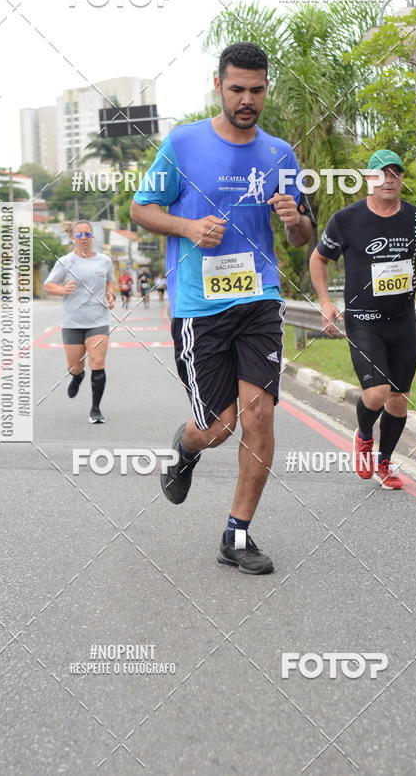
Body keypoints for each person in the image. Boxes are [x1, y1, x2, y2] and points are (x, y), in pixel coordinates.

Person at [131, 41, 314, 574]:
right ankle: (186, 448)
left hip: (259, 298)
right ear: (219, 85)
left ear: (266, 89)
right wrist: (187, 227)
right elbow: (141, 207)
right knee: (218, 427)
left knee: (258, 416)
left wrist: (292, 219)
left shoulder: (281, 153)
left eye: (257, 90)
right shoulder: (184, 143)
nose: (247, 99)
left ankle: (237, 535)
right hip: (200, 304)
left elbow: (303, 235)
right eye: (237, 88)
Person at [309, 149, 416, 490]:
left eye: (395, 173)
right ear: (369, 178)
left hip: (402, 321)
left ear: (402, 178)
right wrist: (326, 302)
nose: (389, 179)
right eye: (381, 173)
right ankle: (364, 435)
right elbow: (318, 259)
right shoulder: (346, 220)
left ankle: (384, 463)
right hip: (364, 319)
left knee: (398, 399)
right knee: (377, 393)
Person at [44, 220, 115, 424]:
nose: (83, 238)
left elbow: (110, 281)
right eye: (79, 235)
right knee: (75, 366)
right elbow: (49, 285)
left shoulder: (104, 261)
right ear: (72, 237)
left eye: (87, 234)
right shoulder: (66, 262)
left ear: (93, 237)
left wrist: (110, 294)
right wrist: (63, 290)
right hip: (72, 321)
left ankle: (95, 409)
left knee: (98, 362)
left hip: (97, 320)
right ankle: (77, 376)